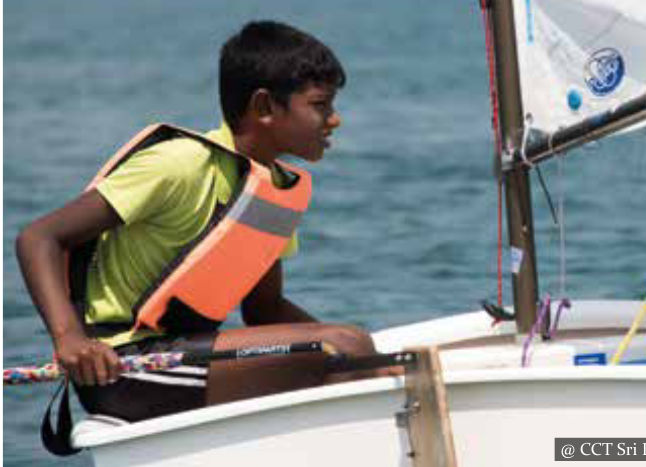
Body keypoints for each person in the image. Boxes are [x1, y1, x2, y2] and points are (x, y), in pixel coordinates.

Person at [16, 20, 391, 424]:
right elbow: (39, 237)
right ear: (264, 107)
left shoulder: (273, 189)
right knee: (343, 347)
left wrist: (369, 356)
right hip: (125, 368)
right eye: (320, 105)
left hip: (183, 355)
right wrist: (69, 338)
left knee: (351, 347)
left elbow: (266, 309)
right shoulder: (179, 164)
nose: (334, 120)